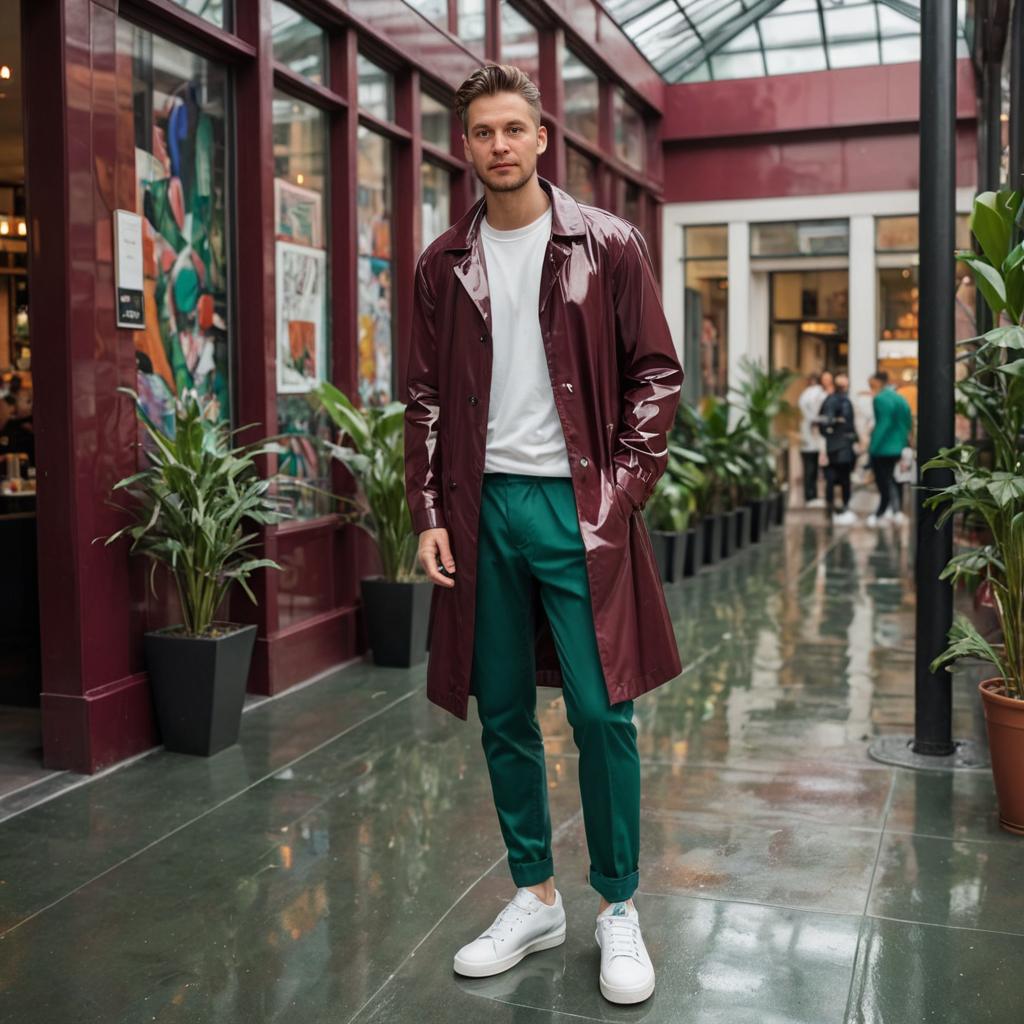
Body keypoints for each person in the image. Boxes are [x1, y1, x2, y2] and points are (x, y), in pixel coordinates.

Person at [404, 64, 682, 1006]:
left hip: (578, 508)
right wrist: (431, 514)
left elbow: (656, 373)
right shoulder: (443, 264)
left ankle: (617, 907)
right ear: (466, 144)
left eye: (514, 128)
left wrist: (623, 489)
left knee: (605, 713)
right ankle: (534, 894)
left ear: (540, 137)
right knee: (506, 713)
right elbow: (427, 399)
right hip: (483, 512)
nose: (500, 145)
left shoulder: (606, 244)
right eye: (483, 131)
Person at [866, 370, 913, 526]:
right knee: (896, 478)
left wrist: (872, 447)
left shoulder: (880, 398)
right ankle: (896, 510)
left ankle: (882, 510)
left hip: (883, 448)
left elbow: (883, 424)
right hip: (899, 445)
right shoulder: (900, 398)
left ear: (878, 383)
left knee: (883, 480)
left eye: (871, 385)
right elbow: (908, 420)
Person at [818, 372, 857, 524]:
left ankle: (831, 509)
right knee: (844, 479)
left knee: (831, 479)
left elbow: (823, 423)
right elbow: (845, 424)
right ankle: (843, 507)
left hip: (833, 445)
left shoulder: (830, 400)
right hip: (841, 446)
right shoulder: (843, 401)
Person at [797, 372, 827, 507]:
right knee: (811, 468)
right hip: (811, 438)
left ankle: (811, 495)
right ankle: (811, 496)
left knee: (810, 468)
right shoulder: (818, 394)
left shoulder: (804, 395)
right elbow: (816, 413)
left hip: (806, 438)